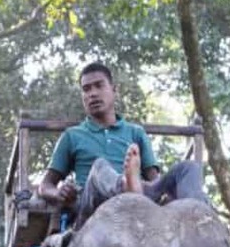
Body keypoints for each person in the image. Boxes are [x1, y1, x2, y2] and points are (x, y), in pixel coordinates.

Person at [38, 62, 207, 225]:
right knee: (99, 167)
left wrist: (165, 193)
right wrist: (59, 192)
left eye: (99, 86)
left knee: (189, 168)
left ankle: (200, 218)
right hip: (93, 201)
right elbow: (45, 186)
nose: (92, 94)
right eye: (86, 89)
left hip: (140, 195)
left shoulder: (135, 132)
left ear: (114, 90)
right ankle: (125, 185)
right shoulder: (72, 136)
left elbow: (154, 179)